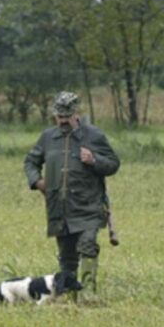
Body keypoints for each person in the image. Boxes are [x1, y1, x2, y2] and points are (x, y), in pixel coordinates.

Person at [24, 91, 120, 299]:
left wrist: (94, 160)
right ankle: (68, 294)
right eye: (59, 117)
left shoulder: (93, 135)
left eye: (66, 116)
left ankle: (88, 293)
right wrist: (37, 182)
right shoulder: (48, 137)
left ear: (76, 113)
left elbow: (113, 164)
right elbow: (31, 162)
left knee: (87, 245)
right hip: (59, 208)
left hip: (88, 207)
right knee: (67, 257)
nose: (63, 121)